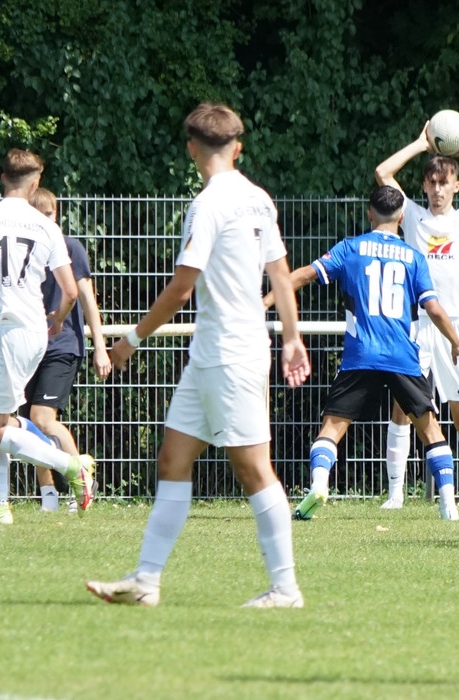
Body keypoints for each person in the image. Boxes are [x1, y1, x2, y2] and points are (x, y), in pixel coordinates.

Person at [86, 102, 311, 609]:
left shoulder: (208, 204)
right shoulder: (258, 199)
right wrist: (291, 337)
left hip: (230, 354)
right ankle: (146, 581)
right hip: (213, 354)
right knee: (173, 458)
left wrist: (130, 340)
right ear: (238, 147)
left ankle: (285, 589)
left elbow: (181, 289)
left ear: (191, 149)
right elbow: (280, 275)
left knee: (255, 471)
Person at [272, 185, 459, 522]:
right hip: (402, 356)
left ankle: (319, 485)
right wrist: (456, 341)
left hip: (361, 354)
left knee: (332, 427)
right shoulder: (413, 257)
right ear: (401, 217)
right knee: (430, 429)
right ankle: (449, 504)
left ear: (369, 214)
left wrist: (266, 301)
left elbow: (305, 275)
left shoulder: (350, 248)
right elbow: (434, 308)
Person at [373, 122, 459, 509]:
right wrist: (420, 144)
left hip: (455, 327)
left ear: (456, 186)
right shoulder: (412, 216)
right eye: (432, 182)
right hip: (416, 325)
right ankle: (396, 492)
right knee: (402, 408)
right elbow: (383, 173)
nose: (437, 190)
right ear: (424, 186)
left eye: (444, 183)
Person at [0, 149, 95, 525]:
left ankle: (70, 466)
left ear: (2, 178)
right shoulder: (46, 227)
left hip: (7, 329)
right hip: (37, 331)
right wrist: (58, 321)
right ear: (35, 183)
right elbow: (69, 291)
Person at [22, 188, 112, 513]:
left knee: (42, 417)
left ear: (56, 215)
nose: (46, 220)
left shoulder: (70, 248)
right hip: (28, 345)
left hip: (62, 345)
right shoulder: (22, 251)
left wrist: (100, 348)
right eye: (38, 214)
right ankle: (48, 496)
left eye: (50, 214)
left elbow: (87, 299)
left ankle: (81, 479)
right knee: (29, 425)